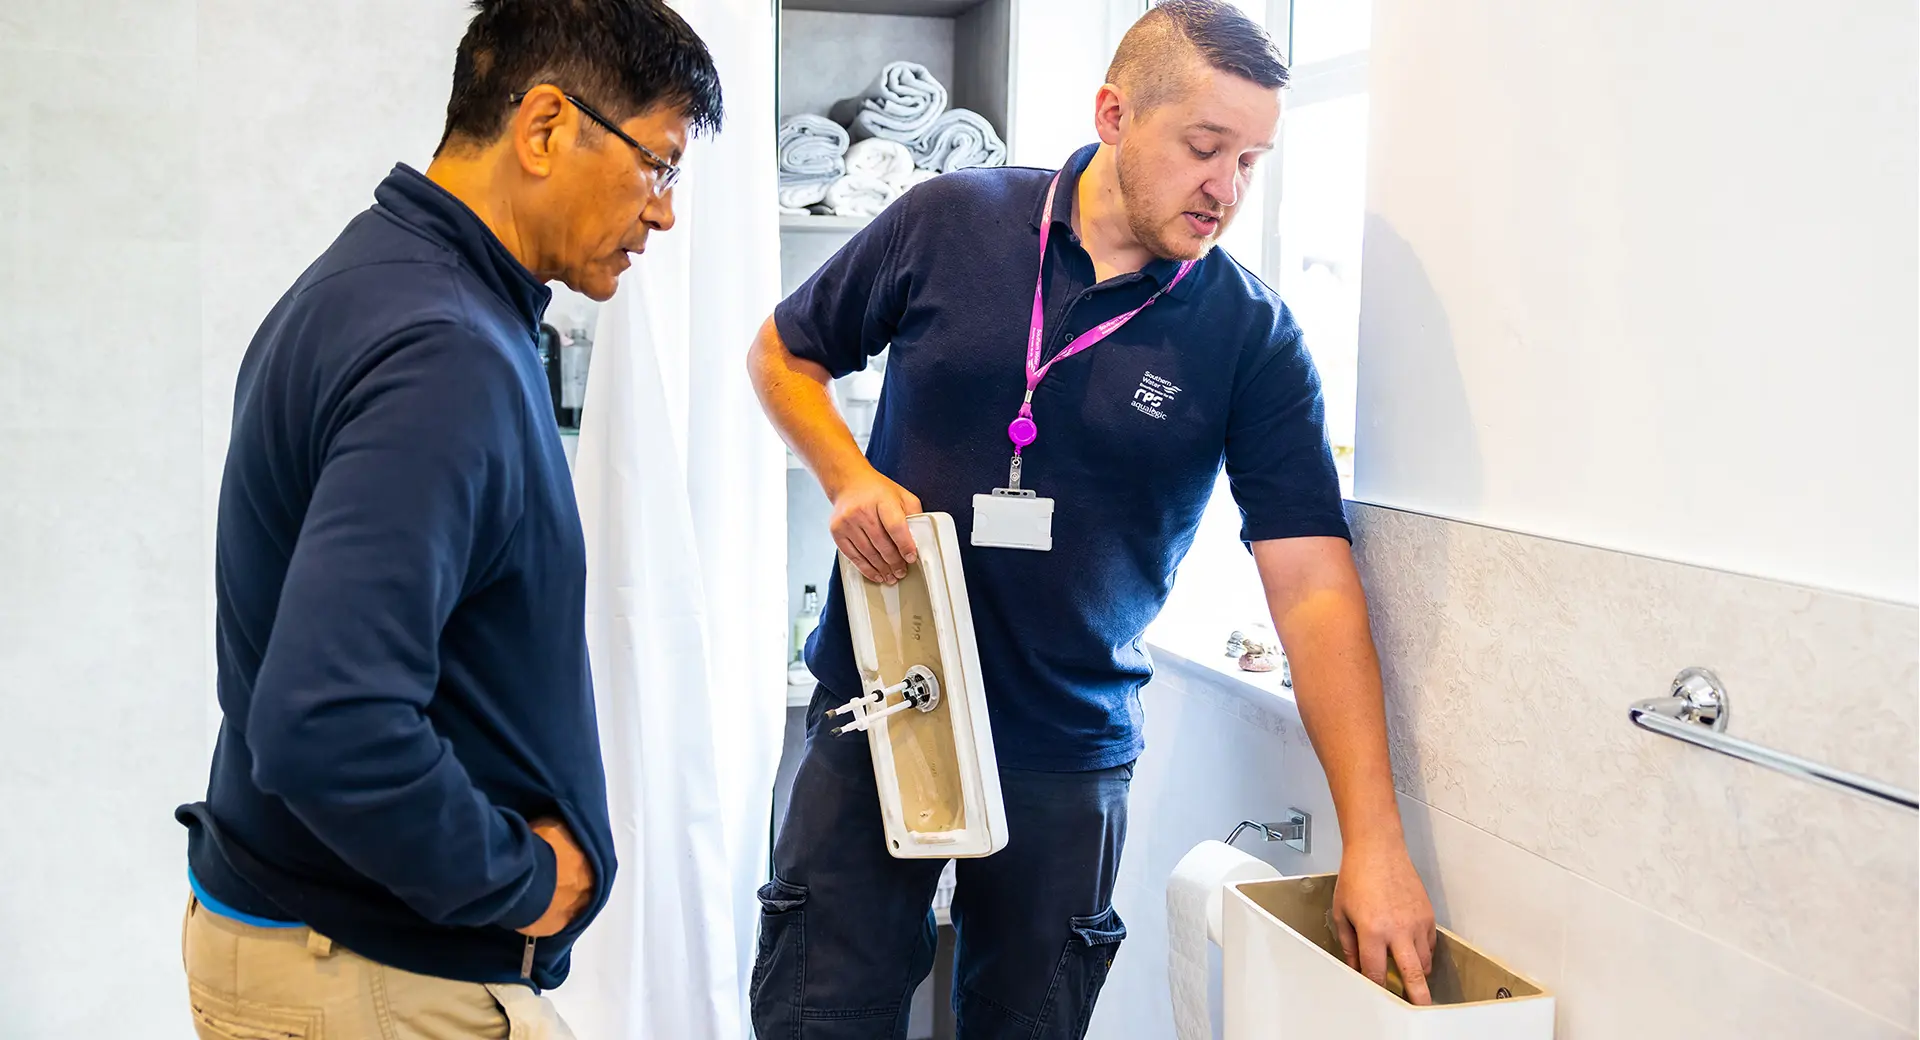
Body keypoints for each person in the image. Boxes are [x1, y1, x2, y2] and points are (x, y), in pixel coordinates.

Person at [747, 1, 1436, 1035]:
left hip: (1067, 755)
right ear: (1114, 113)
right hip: (882, 710)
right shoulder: (951, 220)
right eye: (1205, 148)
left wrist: (1374, 838)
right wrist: (846, 473)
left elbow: (1315, 583)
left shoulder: (1251, 336)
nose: (1228, 189)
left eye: (1252, 160)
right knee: (819, 1017)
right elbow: (782, 352)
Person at [174, 1, 721, 1035]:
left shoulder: (370, 280)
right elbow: (326, 719)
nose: (665, 212)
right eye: (660, 163)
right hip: (368, 973)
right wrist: (519, 879)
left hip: (312, 938)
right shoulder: (445, 350)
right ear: (547, 124)